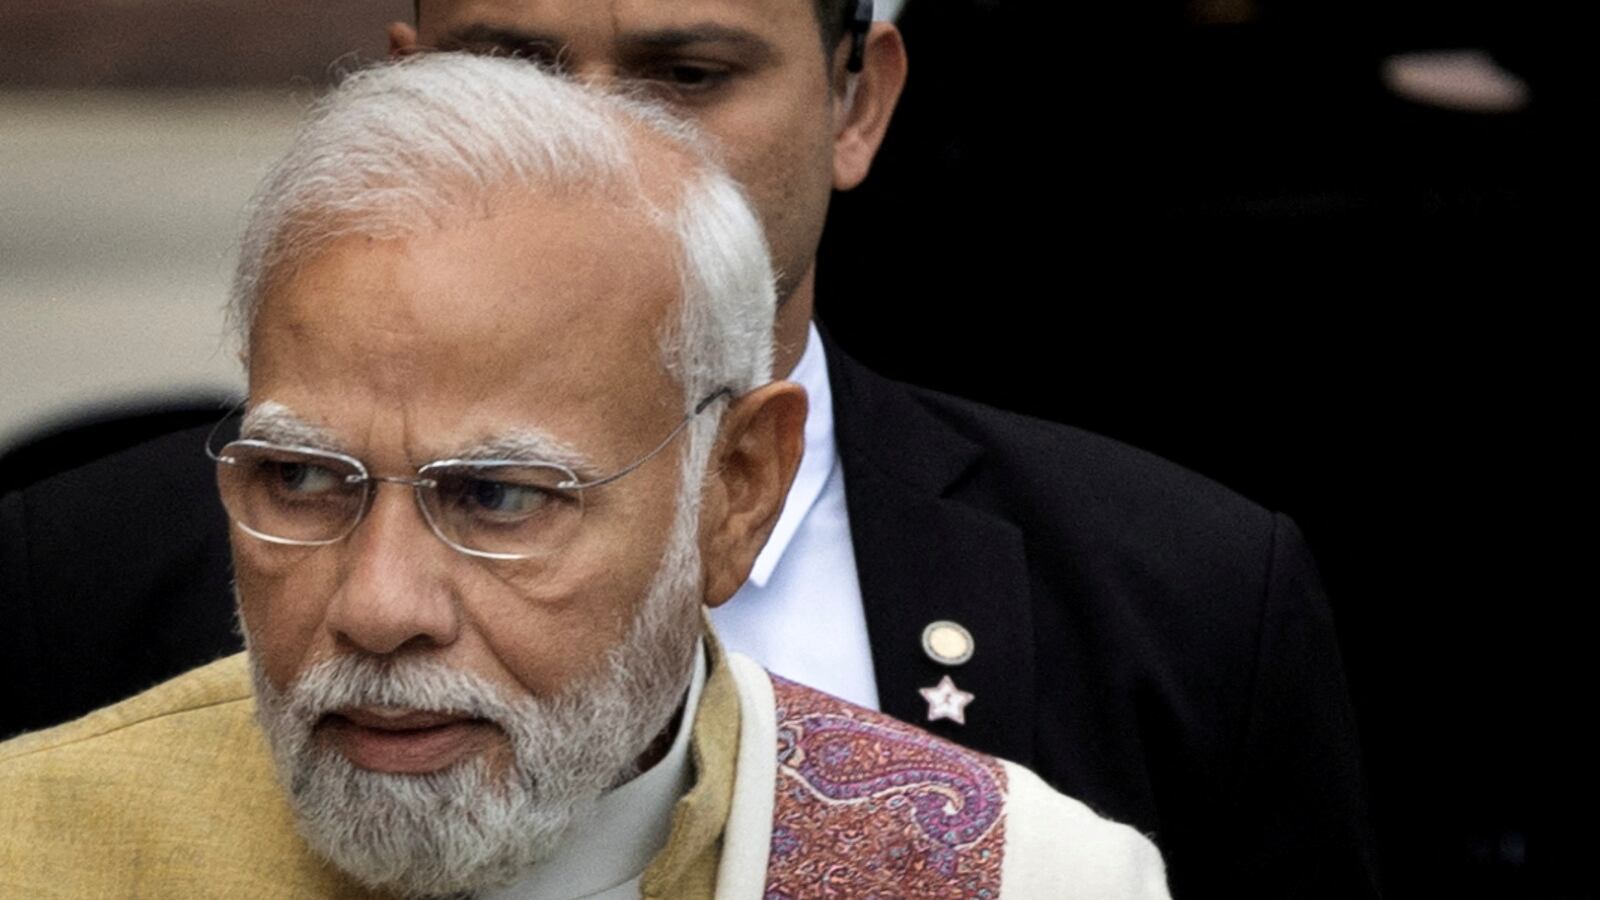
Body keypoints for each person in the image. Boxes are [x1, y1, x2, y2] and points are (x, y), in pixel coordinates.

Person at [0, 0, 1377, 895]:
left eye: (503, 497)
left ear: (738, 493)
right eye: (303, 480)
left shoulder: (1048, 829)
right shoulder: (53, 751)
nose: (380, 603)